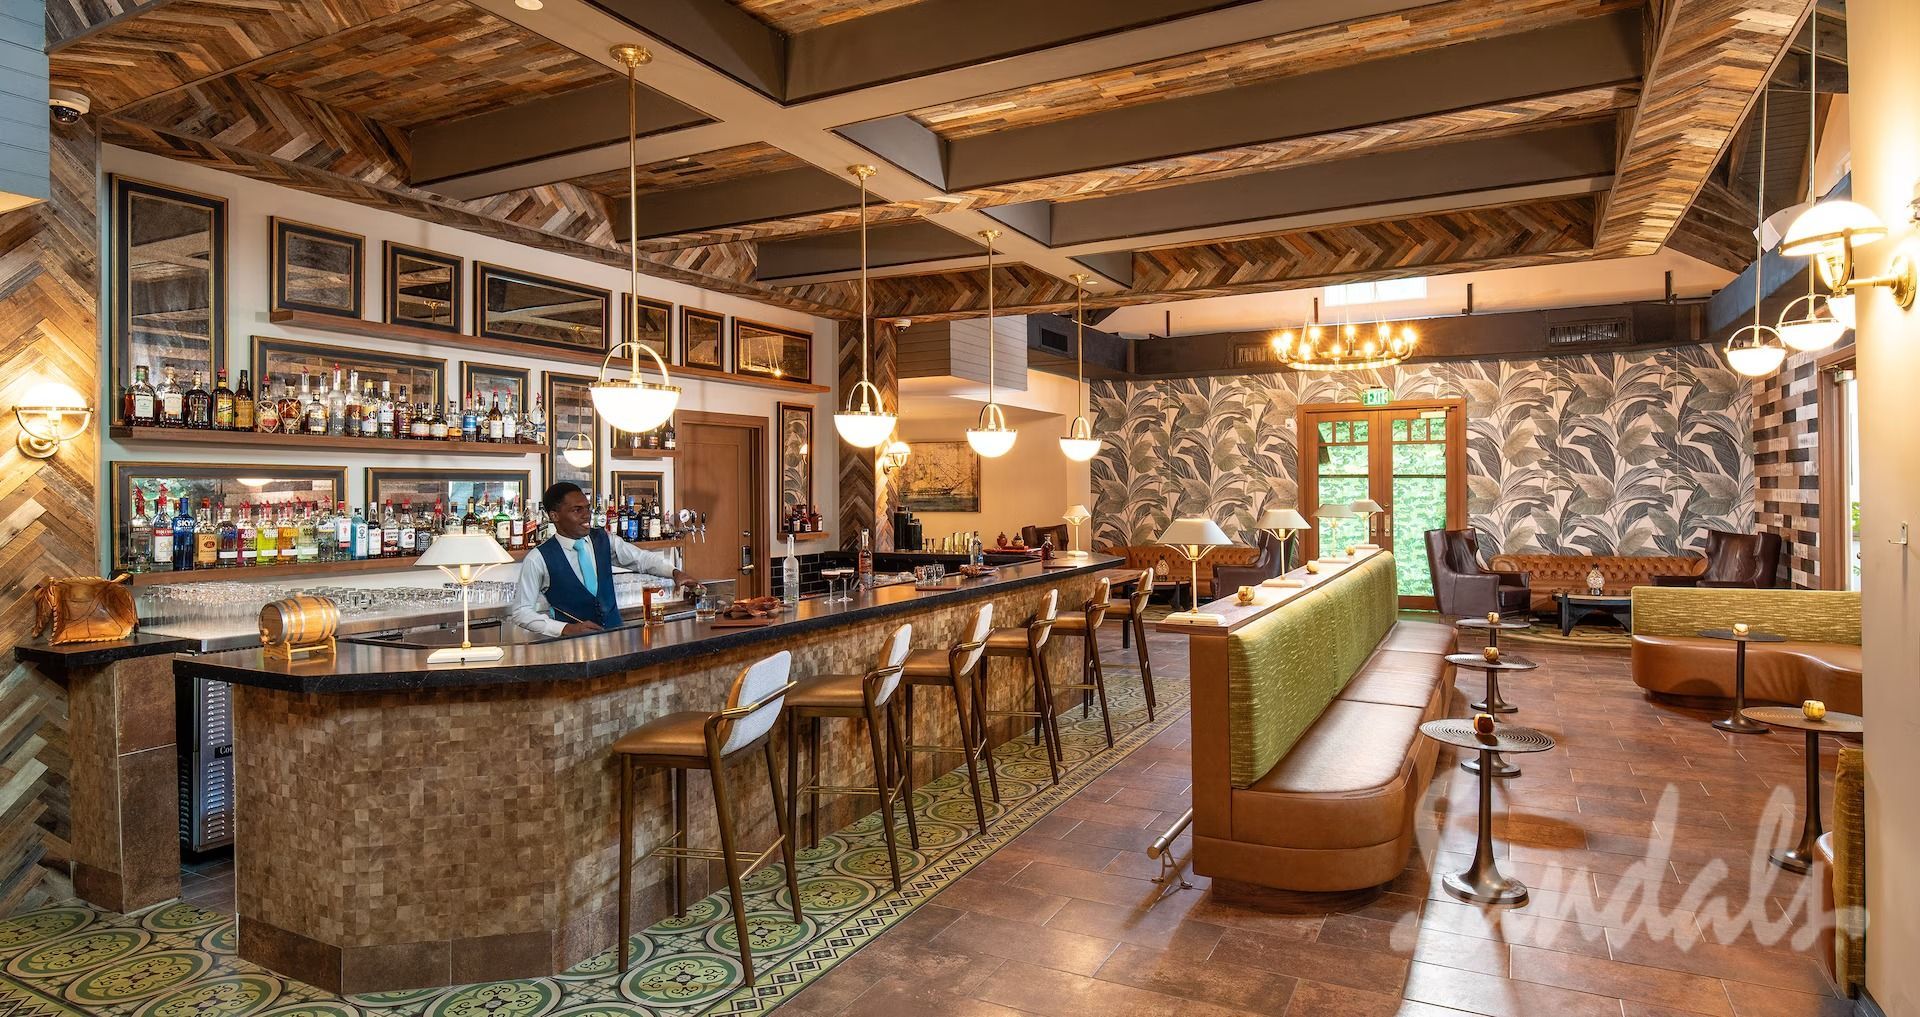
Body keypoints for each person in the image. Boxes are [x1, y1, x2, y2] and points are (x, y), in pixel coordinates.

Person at [510, 481, 691, 638]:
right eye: (577, 510)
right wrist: (565, 628)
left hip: (615, 639)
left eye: (587, 508)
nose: (586, 515)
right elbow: (521, 612)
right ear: (554, 516)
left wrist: (674, 572)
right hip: (570, 649)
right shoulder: (538, 558)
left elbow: (641, 559)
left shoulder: (604, 540)